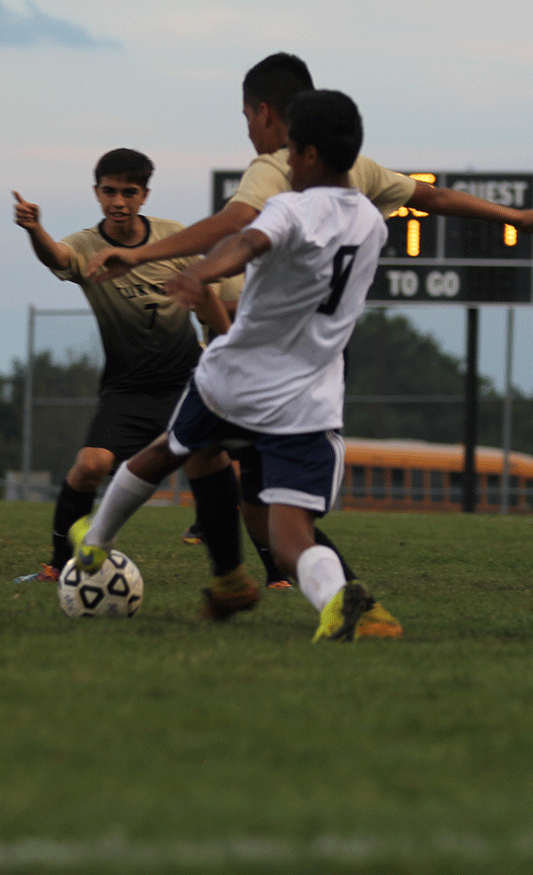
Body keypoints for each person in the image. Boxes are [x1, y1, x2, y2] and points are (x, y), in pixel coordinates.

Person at [84, 53, 533, 596]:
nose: (252, 132)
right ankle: (311, 593)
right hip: (313, 380)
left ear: (270, 117)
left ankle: (105, 545)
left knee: (176, 450)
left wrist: (168, 262)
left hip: (243, 364)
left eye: (247, 117)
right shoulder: (365, 201)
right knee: (276, 511)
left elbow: (239, 231)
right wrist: (515, 218)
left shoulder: (277, 177)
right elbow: (430, 197)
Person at [70, 89, 402, 641]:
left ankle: (94, 542)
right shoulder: (372, 222)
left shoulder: (291, 208)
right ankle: (338, 599)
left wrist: (201, 272)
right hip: (308, 399)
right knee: (291, 533)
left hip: (237, 380)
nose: (287, 164)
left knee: (167, 450)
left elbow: (246, 242)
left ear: (311, 155)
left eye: (291, 153)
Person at [12, 148, 231, 583]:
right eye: (109, 191)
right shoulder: (86, 245)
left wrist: (225, 342)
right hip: (127, 390)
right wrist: (35, 229)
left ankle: (267, 571)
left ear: (144, 195)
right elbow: (57, 257)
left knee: (218, 462)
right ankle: (56, 566)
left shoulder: (172, 239)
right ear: (96, 193)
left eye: (128, 192)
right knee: (91, 465)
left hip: (187, 384)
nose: (118, 201)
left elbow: (207, 292)